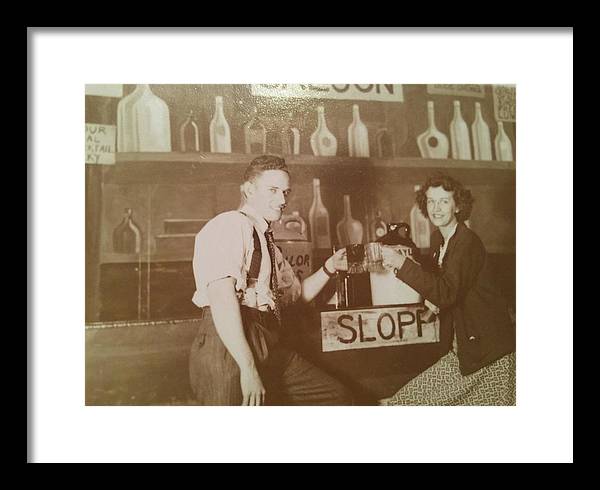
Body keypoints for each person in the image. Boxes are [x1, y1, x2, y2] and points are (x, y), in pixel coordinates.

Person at [189, 155, 352, 406]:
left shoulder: (268, 244)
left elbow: (295, 296)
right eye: (273, 190)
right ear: (248, 189)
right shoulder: (230, 225)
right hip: (228, 345)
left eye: (285, 192)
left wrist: (330, 267)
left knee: (335, 396)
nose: (282, 200)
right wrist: (248, 367)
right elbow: (221, 297)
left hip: (265, 339)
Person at [379, 172, 516, 405]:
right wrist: (412, 266)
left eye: (444, 201)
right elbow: (445, 286)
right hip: (465, 351)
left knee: (403, 404)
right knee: (404, 401)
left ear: (457, 206)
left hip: (491, 356)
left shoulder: (467, 241)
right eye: (431, 201)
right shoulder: (439, 241)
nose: (436, 208)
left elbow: (446, 292)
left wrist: (401, 264)